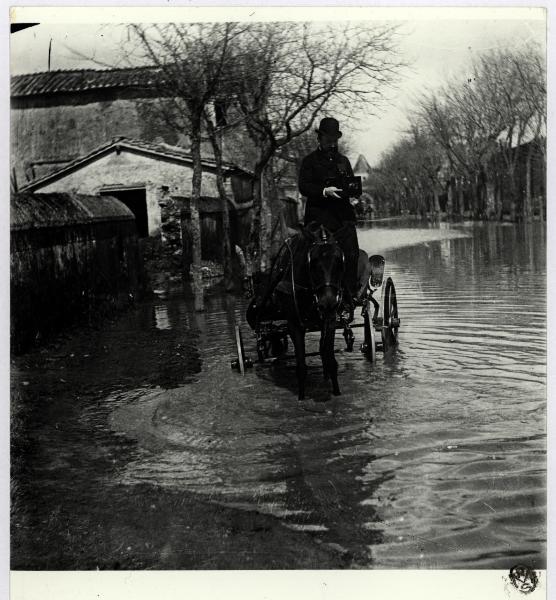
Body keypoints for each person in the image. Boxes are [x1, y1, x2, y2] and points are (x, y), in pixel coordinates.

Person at [298, 117, 361, 307]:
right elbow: (303, 186)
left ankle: (349, 293)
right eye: (327, 138)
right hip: (319, 217)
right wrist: (324, 191)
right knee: (308, 254)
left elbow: (350, 183)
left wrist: (354, 195)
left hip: (342, 217)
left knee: (352, 251)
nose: (331, 142)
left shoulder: (344, 161)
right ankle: (309, 294)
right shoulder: (309, 161)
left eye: (334, 138)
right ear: (320, 138)